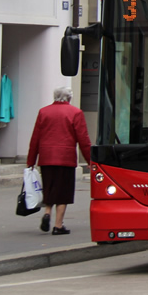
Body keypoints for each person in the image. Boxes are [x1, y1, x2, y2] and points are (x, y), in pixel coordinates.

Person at [27, 87, 92, 235]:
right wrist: (90, 160)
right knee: (63, 191)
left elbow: (35, 138)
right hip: (65, 158)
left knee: (49, 187)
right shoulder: (76, 113)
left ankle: (47, 213)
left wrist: (31, 160)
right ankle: (58, 225)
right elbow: (83, 139)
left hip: (46, 157)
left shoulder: (44, 112)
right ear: (69, 98)